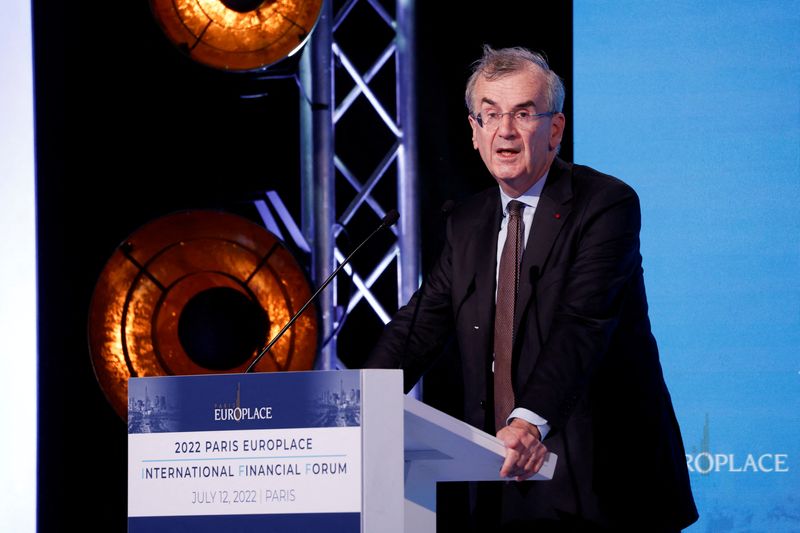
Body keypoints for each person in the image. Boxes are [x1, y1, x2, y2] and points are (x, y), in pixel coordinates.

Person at [365, 45, 698, 531]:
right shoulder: (468, 221)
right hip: (504, 480)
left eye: (523, 113)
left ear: (555, 130)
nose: (505, 130)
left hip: (604, 480)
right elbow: (419, 327)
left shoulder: (604, 205)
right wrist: (353, 405)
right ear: (474, 131)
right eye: (491, 114)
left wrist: (527, 423)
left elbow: (582, 326)